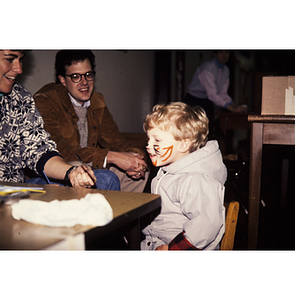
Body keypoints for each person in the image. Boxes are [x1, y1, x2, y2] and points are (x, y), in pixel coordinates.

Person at [0, 50, 120, 191]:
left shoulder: (20, 97)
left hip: (18, 185)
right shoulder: (47, 99)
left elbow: (39, 150)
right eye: (9, 59)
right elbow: (66, 150)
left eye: (20, 59)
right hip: (9, 189)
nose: (19, 69)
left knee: (106, 179)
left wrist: (72, 173)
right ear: (62, 79)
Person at [34, 50, 148, 193]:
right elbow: (61, 150)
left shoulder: (97, 101)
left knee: (137, 175)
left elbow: (117, 142)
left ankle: (118, 212)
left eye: (88, 75)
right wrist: (111, 157)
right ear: (62, 80)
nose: (84, 82)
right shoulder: (45, 101)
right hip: (62, 166)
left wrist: (136, 158)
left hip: (89, 163)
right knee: (97, 174)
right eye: (76, 77)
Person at [140, 102, 227, 250]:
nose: (148, 145)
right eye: (149, 139)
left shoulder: (194, 179)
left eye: (157, 140)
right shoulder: (169, 169)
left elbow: (206, 224)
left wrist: (172, 249)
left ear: (183, 145)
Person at [185, 50, 247, 138]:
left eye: (227, 52)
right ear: (215, 54)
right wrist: (232, 109)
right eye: (221, 52)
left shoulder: (226, 70)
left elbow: (222, 93)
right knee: (193, 130)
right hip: (193, 100)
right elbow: (212, 95)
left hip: (206, 100)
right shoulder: (207, 69)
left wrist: (234, 106)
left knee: (208, 129)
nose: (224, 55)